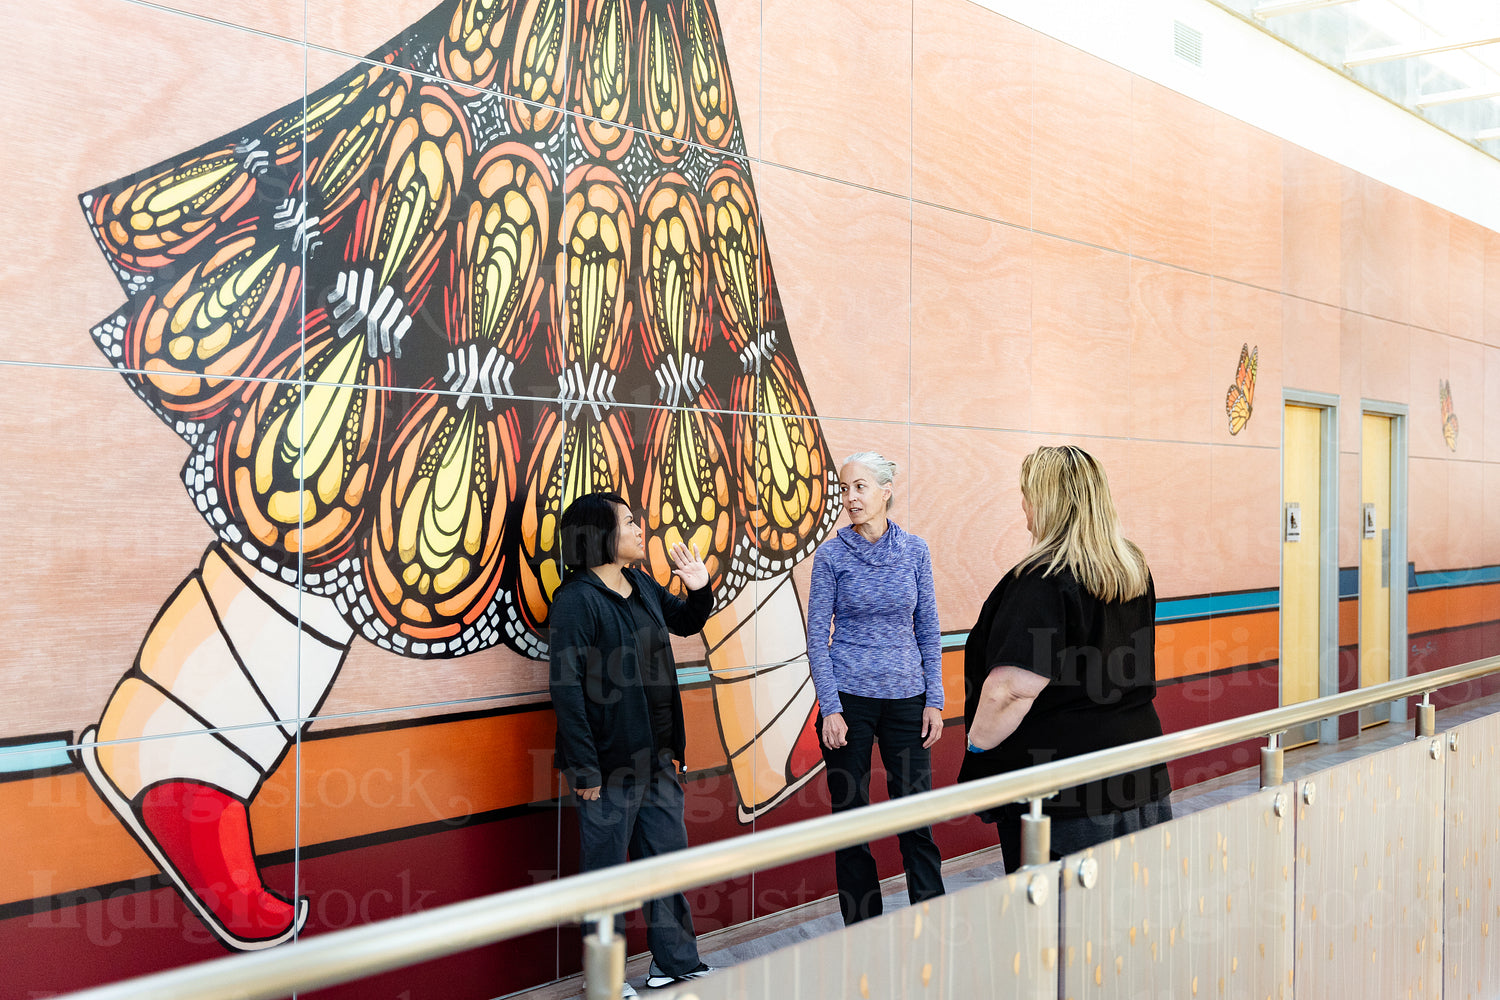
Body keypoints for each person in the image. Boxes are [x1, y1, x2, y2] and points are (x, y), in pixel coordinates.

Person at [958, 445, 1173, 872]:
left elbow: (1010, 691)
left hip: (1066, 791)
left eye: (1027, 493)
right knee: (1130, 912)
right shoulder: (1131, 568)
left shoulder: (1042, 580)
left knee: (1059, 925)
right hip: (1141, 771)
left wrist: (976, 751)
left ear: (1047, 501)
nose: (1023, 504)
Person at [548, 491, 718, 996]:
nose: (640, 528)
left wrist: (699, 590)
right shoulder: (576, 601)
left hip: (660, 758)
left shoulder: (640, 583)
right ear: (600, 535)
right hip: (607, 767)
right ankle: (605, 982)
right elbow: (567, 689)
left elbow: (685, 620)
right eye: (628, 522)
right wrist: (585, 771)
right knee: (607, 879)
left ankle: (676, 963)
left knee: (665, 864)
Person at [805, 452, 946, 925]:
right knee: (852, 820)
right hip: (850, 702)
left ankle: (931, 921)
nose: (850, 498)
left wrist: (934, 699)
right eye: (844, 489)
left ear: (886, 490)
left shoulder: (915, 551)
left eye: (860, 487)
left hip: (908, 700)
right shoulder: (830, 556)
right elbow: (815, 639)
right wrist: (830, 708)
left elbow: (927, 626)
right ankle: (863, 931)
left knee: (914, 817)